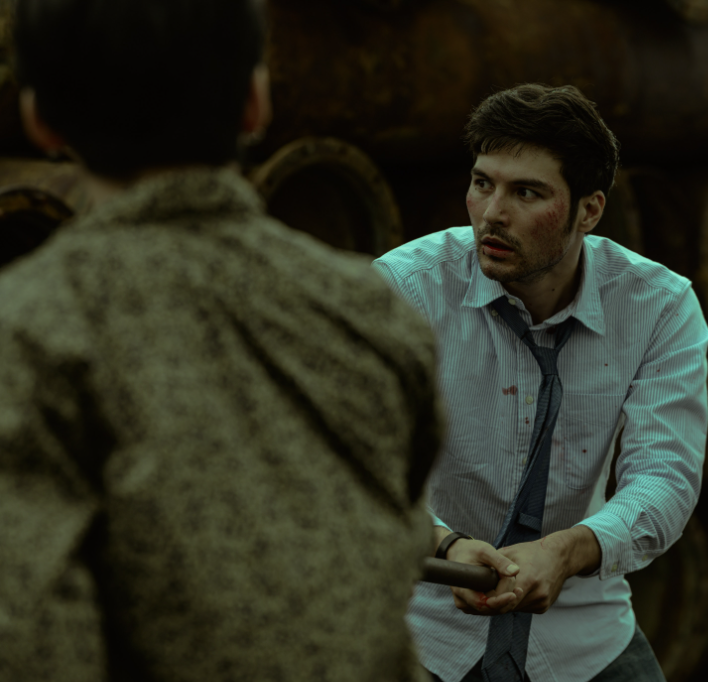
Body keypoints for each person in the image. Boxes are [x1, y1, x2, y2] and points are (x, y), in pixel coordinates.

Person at [0, 1, 439, 680]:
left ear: (39, 119)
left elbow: (32, 637)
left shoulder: (31, 326)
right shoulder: (369, 309)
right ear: (256, 103)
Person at [373, 84, 708, 682]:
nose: (492, 213)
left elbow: (665, 476)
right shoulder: (404, 290)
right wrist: (443, 545)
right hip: (424, 624)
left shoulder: (659, 306)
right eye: (483, 183)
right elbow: (358, 463)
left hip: (581, 630)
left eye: (526, 192)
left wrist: (566, 551)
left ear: (589, 211)